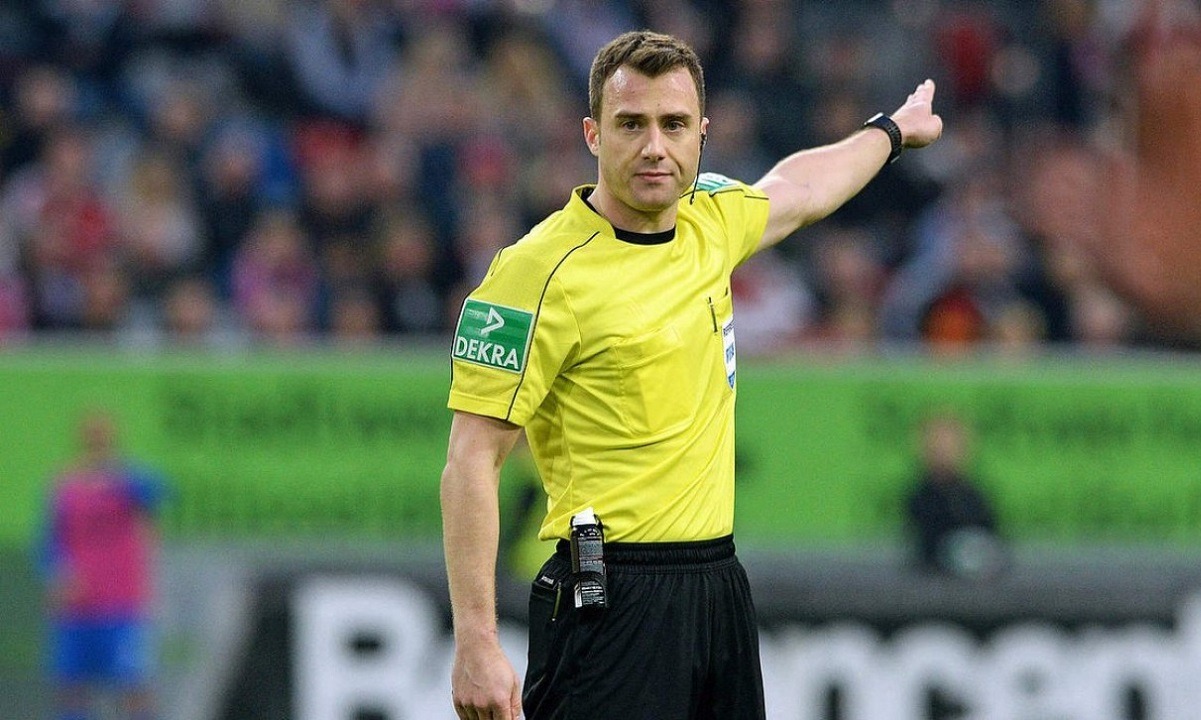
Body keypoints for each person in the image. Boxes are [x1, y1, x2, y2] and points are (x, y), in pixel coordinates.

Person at [440, 30, 942, 720]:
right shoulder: (533, 274)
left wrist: (891, 132)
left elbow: (800, 187)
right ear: (592, 134)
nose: (655, 146)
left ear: (702, 135)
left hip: (716, 588)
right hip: (609, 597)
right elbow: (471, 458)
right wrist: (475, 640)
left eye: (673, 124)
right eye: (631, 124)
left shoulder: (709, 221)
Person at [37, 409, 169, 720]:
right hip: (77, 606)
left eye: (103, 434)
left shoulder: (130, 483)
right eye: (92, 434)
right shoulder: (65, 487)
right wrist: (59, 575)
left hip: (121, 603)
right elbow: (48, 542)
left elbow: (161, 491)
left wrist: (119, 473)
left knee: (133, 684)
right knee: (71, 688)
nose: (97, 440)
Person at [905, 411, 1005, 579]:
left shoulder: (975, 501)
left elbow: (994, 550)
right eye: (936, 444)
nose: (942, 451)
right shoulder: (919, 500)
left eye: (949, 444)